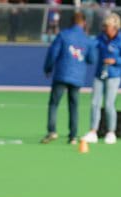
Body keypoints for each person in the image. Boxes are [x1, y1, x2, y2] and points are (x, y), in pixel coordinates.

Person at [82, 12, 121, 146]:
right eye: (104, 26)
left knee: (109, 104)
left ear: (115, 27)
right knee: (95, 103)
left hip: (113, 77)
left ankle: (111, 132)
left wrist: (115, 60)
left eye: (107, 26)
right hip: (99, 74)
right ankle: (93, 131)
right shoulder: (100, 38)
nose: (105, 28)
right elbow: (91, 44)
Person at [41, 11, 91, 144]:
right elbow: (92, 58)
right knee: (74, 106)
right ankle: (73, 136)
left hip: (61, 75)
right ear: (84, 23)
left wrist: (48, 68)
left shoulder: (63, 35)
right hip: (77, 76)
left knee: (54, 103)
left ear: (71, 22)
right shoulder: (86, 39)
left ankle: (52, 131)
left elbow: (53, 53)